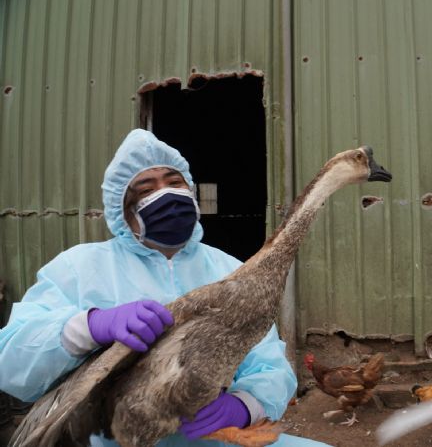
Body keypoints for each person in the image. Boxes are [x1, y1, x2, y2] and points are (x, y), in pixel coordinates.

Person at [0, 129, 329, 447]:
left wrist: (246, 405)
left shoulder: (228, 270)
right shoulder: (80, 267)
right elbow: (12, 356)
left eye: (174, 183)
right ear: (123, 209)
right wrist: (89, 326)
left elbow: (268, 360)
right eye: (146, 188)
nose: (166, 194)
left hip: (209, 441)